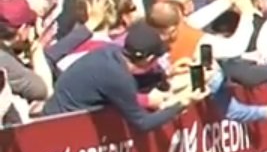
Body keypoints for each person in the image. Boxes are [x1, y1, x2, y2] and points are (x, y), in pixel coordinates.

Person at [41, 23, 200, 131]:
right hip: (60, 129)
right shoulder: (118, 76)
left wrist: (167, 74)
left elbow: (136, 80)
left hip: (56, 117)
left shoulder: (110, 53)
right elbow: (142, 123)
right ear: (149, 58)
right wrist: (182, 103)